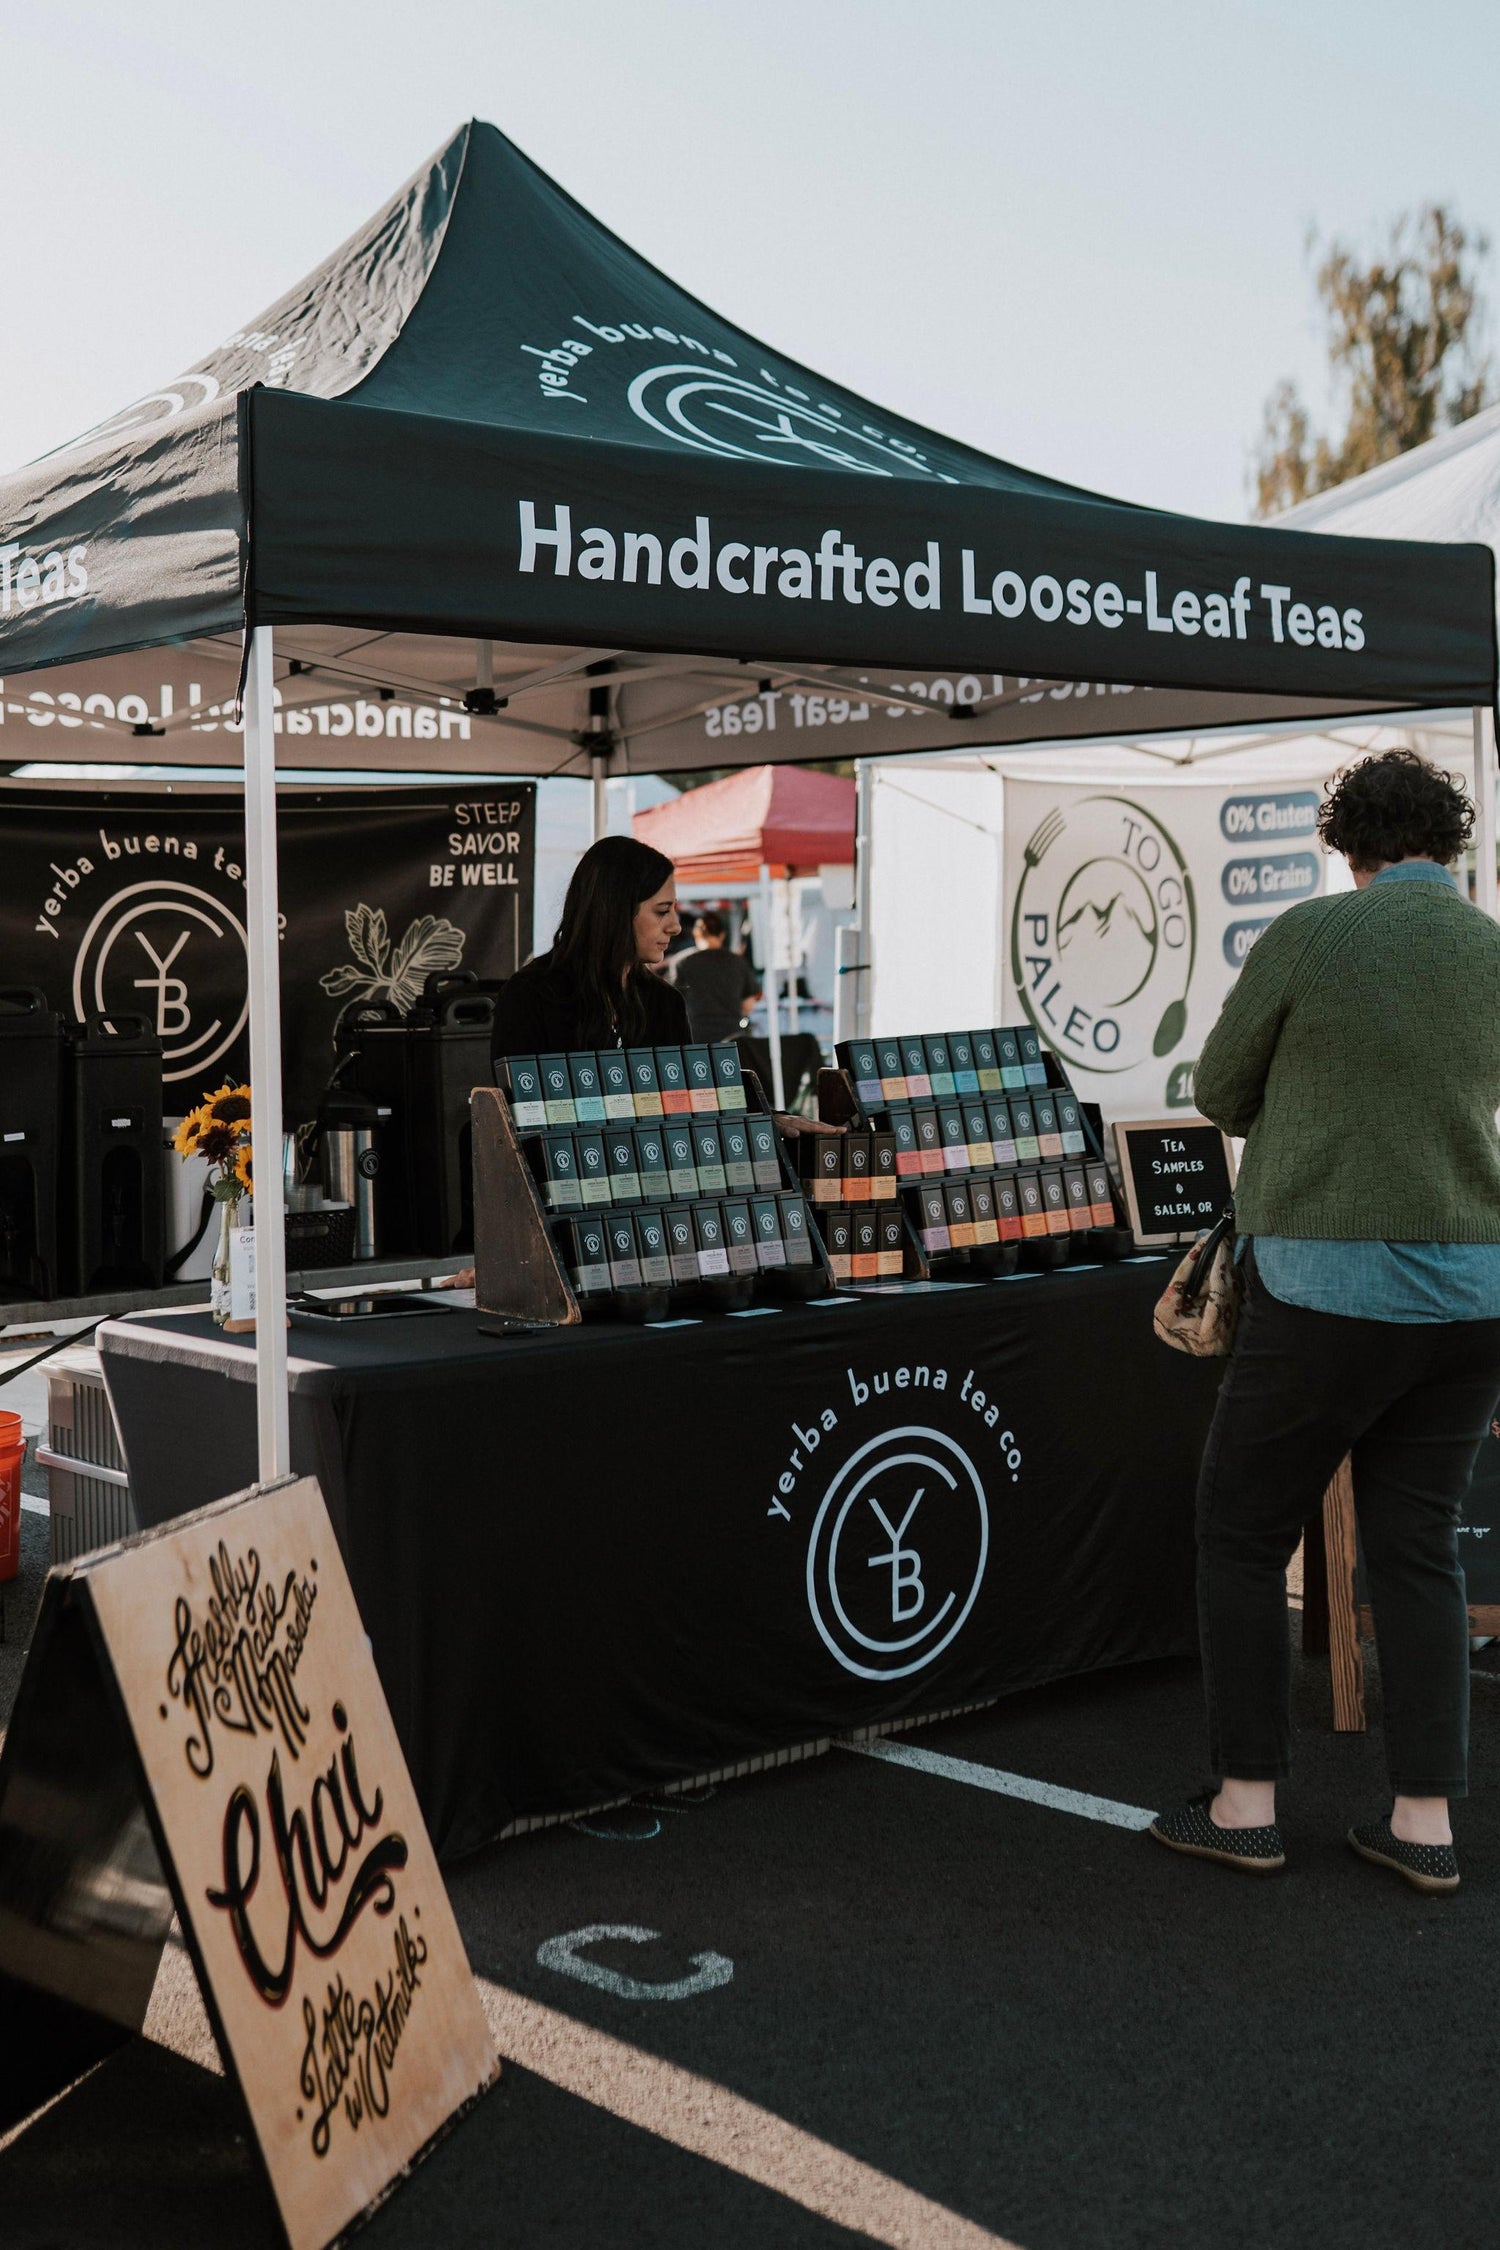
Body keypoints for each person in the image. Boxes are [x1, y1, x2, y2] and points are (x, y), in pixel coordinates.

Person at [1150, 749, 1500, 1896]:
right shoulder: (1492, 949)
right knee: (1418, 1546)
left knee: (1242, 1530)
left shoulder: (1312, 935)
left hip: (1326, 1289)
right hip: (1471, 1289)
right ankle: (1425, 1824)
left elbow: (1216, 1090)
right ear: (1447, 844)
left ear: (1348, 847)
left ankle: (1246, 1804)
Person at [491, 836, 835, 1143]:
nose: (675, 926)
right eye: (661, 911)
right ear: (615, 911)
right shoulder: (531, 995)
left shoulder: (663, 1002)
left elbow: (687, 1099)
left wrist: (767, 1118)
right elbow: (513, 1123)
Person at [667, 911, 763, 1044]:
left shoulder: (681, 962)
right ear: (722, 934)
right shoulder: (737, 962)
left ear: (696, 933)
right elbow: (748, 1005)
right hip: (732, 1037)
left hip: (694, 1037)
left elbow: (673, 1004)